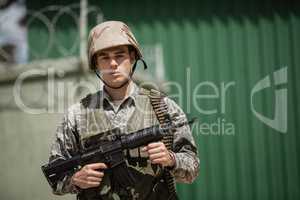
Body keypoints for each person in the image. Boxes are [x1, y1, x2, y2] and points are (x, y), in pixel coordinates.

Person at [48, 21, 199, 200]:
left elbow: (192, 168)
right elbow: (55, 177)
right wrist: (75, 179)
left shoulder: (163, 107)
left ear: (133, 57)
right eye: (104, 57)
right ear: (96, 64)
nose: (113, 64)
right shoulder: (77, 115)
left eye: (120, 55)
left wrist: (171, 159)